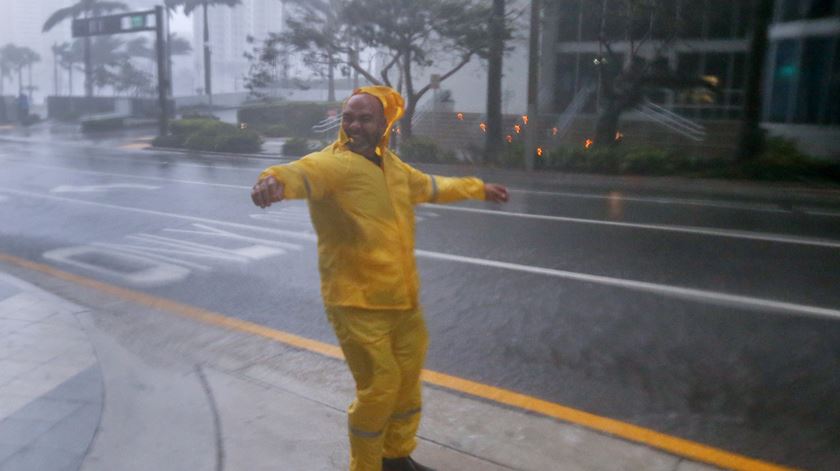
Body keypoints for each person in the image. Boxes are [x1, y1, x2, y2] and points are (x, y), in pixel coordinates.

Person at [251, 86, 509, 471]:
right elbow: (298, 173)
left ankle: (396, 458)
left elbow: (431, 186)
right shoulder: (332, 165)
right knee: (380, 388)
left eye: (364, 117)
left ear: (384, 123)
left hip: (402, 301)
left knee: (406, 386)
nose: (354, 124)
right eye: (348, 117)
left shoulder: (392, 167)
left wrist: (477, 189)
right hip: (356, 302)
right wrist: (271, 181)